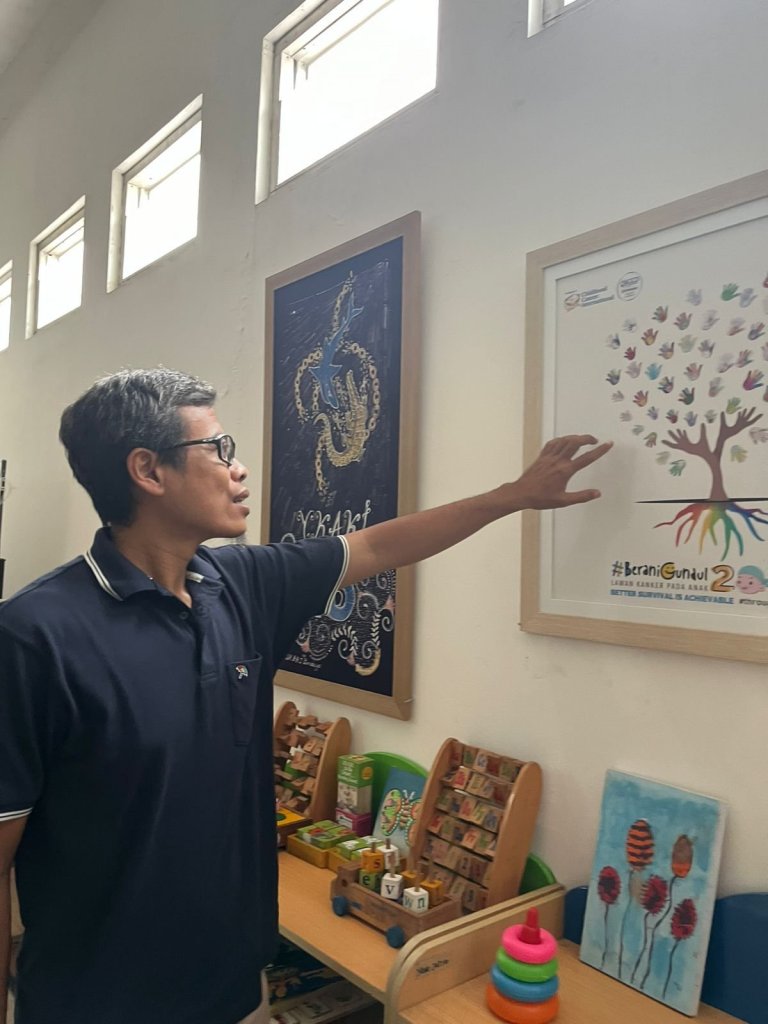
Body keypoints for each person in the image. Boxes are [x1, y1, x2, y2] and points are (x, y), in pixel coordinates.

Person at [0, 368, 612, 1024]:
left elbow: (378, 544)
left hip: (238, 992)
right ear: (148, 470)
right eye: (219, 449)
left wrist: (514, 496)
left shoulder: (242, 583)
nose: (238, 469)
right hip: (96, 1003)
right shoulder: (36, 635)